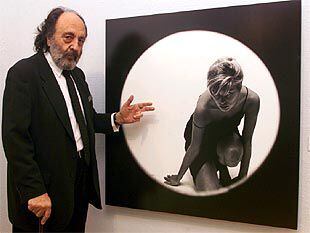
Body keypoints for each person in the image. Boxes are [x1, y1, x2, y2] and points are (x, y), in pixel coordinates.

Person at [2, 7, 154, 232]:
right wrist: (34, 191)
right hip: (42, 195)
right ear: (48, 37)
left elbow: (84, 121)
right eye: (68, 37)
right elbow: (15, 140)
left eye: (81, 40)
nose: (76, 46)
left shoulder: (77, 76)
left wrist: (117, 118)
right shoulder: (24, 74)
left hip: (77, 188)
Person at [164, 57, 259, 191]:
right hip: (201, 142)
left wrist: (243, 177)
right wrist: (178, 177)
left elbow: (247, 140)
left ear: (240, 86)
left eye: (229, 93)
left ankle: (220, 163)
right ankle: (214, 164)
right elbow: (194, 147)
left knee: (233, 154)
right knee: (209, 191)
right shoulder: (203, 107)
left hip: (224, 135)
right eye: (216, 93)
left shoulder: (251, 100)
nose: (222, 101)